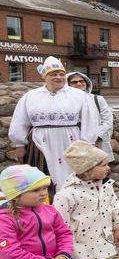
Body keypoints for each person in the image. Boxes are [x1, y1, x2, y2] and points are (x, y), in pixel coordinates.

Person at [53, 142, 119, 259]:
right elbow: (59, 223)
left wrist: (117, 227)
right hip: (79, 244)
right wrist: (63, 247)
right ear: (87, 169)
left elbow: (114, 205)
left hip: (99, 239)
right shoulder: (67, 194)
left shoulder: (105, 186)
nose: (108, 168)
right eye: (103, 165)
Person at [9, 57, 100, 191]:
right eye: (53, 74)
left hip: (71, 142)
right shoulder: (31, 96)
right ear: (45, 77)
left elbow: (90, 120)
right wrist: (19, 144)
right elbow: (20, 120)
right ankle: (46, 207)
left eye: (61, 74)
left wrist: (88, 144)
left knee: (73, 175)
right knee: (41, 175)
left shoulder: (79, 96)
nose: (58, 77)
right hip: (39, 142)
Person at [67, 72, 115, 163]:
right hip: (72, 143)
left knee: (96, 171)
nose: (79, 84)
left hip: (96, 143)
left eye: (81, 81)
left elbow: (107, 121)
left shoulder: (97, 99)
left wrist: (94, 137)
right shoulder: (64, 101)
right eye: (74, 82)